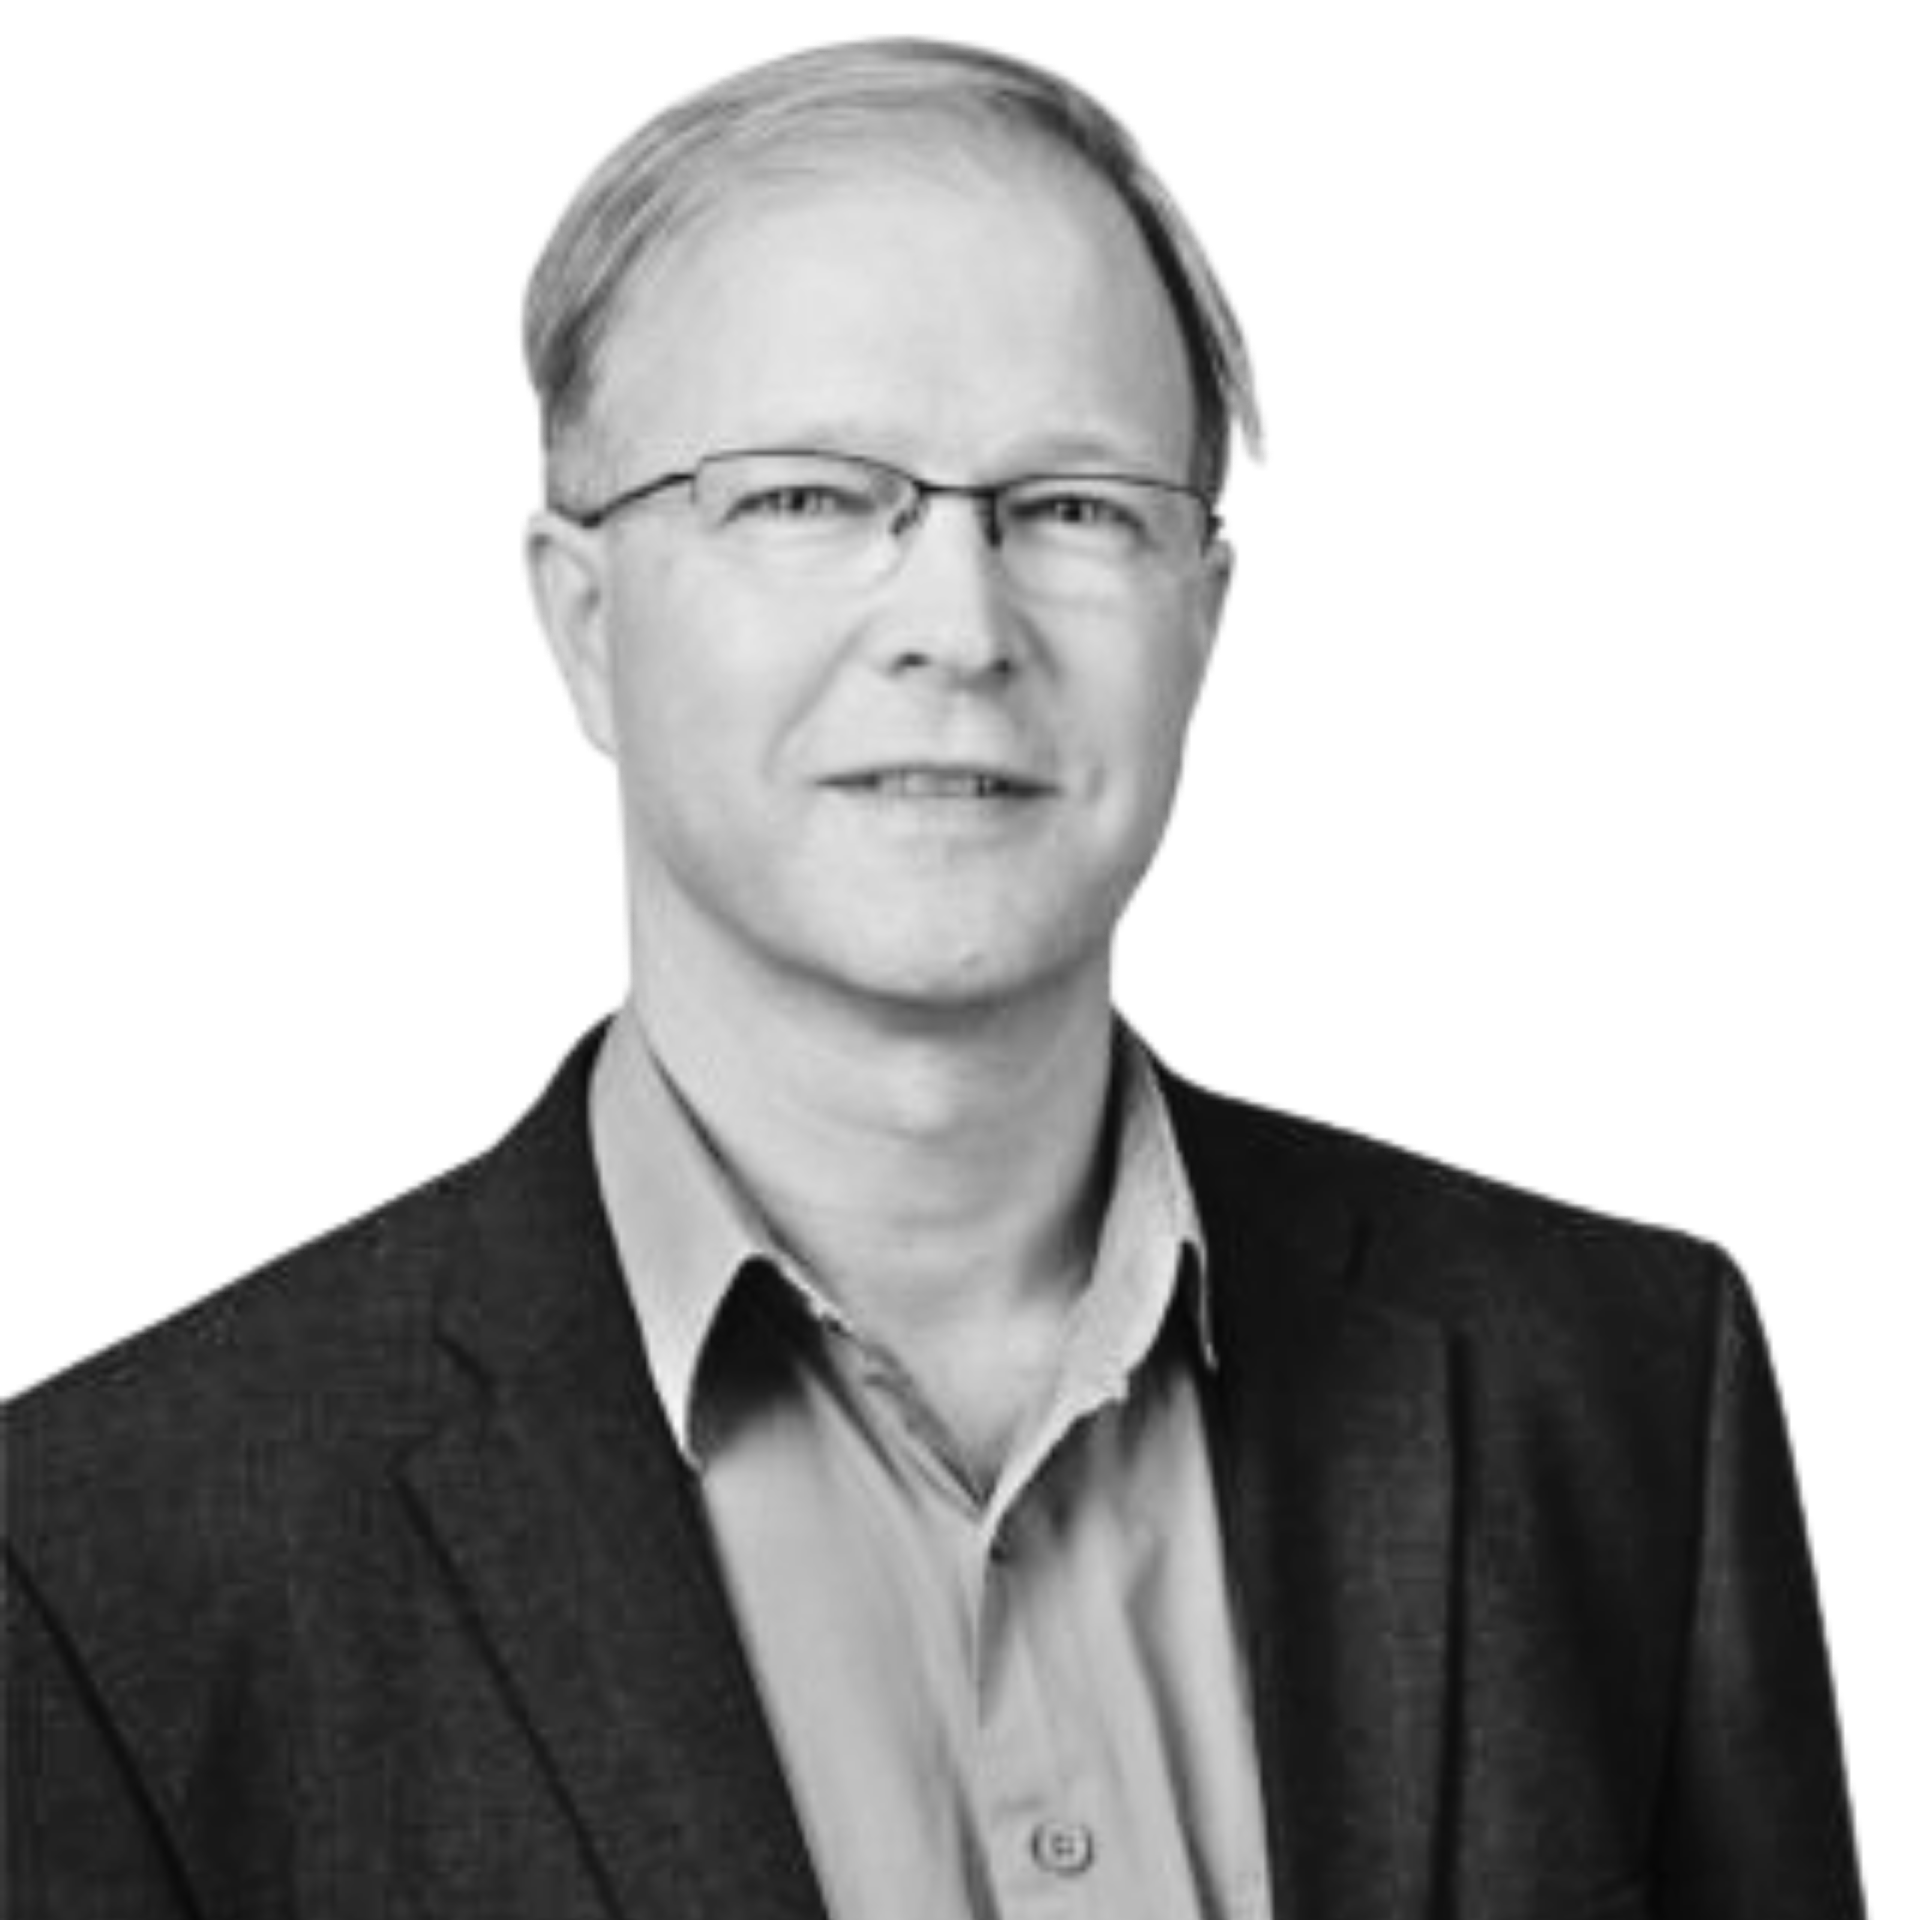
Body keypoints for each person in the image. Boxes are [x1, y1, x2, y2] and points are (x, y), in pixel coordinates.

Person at [2, 33, 1859, 1920]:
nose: (959, 628)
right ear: (577, 622)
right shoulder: (103, 1553)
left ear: (1206, 623)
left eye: (1075, 506)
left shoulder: (1626, 1386)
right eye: (806, 498)